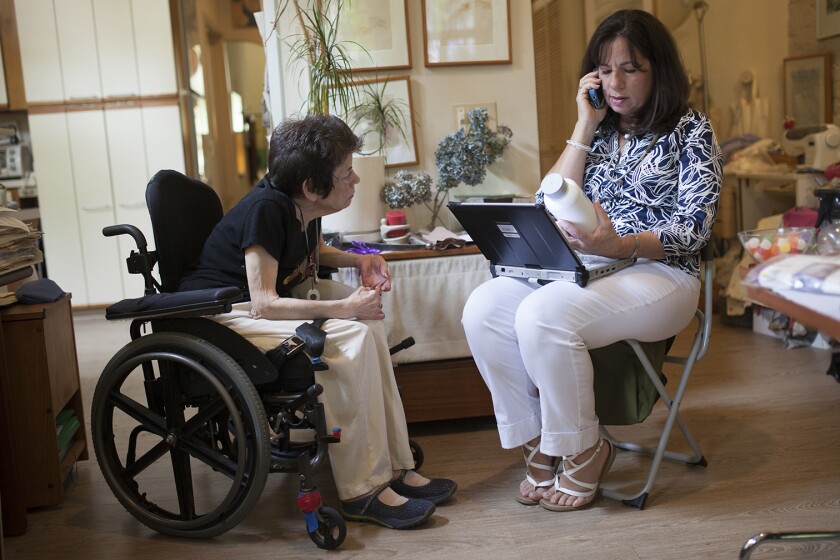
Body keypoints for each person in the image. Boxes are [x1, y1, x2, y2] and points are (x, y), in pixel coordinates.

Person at [461, 9, 721, 512]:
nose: (615, 82)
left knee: (544, 314)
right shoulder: (598, 131)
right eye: (604, 69)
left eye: (630, 68)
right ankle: (539, 442)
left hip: (661, 274)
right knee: (484, 307)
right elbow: (547, 201)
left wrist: (619, 245)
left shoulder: (692, 131)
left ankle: (583, 447)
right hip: (585, 267)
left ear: (658, 70)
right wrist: (584, 124)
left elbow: (693, 230)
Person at [179, 114, 456, 529]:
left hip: (251, 306)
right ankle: (363, 489)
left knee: (371, 324)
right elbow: (264, 303)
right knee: (349, 337)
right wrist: (343, 310)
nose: (356, 180)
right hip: (220, 315)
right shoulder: (266, 210)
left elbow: (313, 249)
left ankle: (396, 467)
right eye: (346, 174)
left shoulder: (301, 203)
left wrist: (360, 258)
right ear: (312, 187)